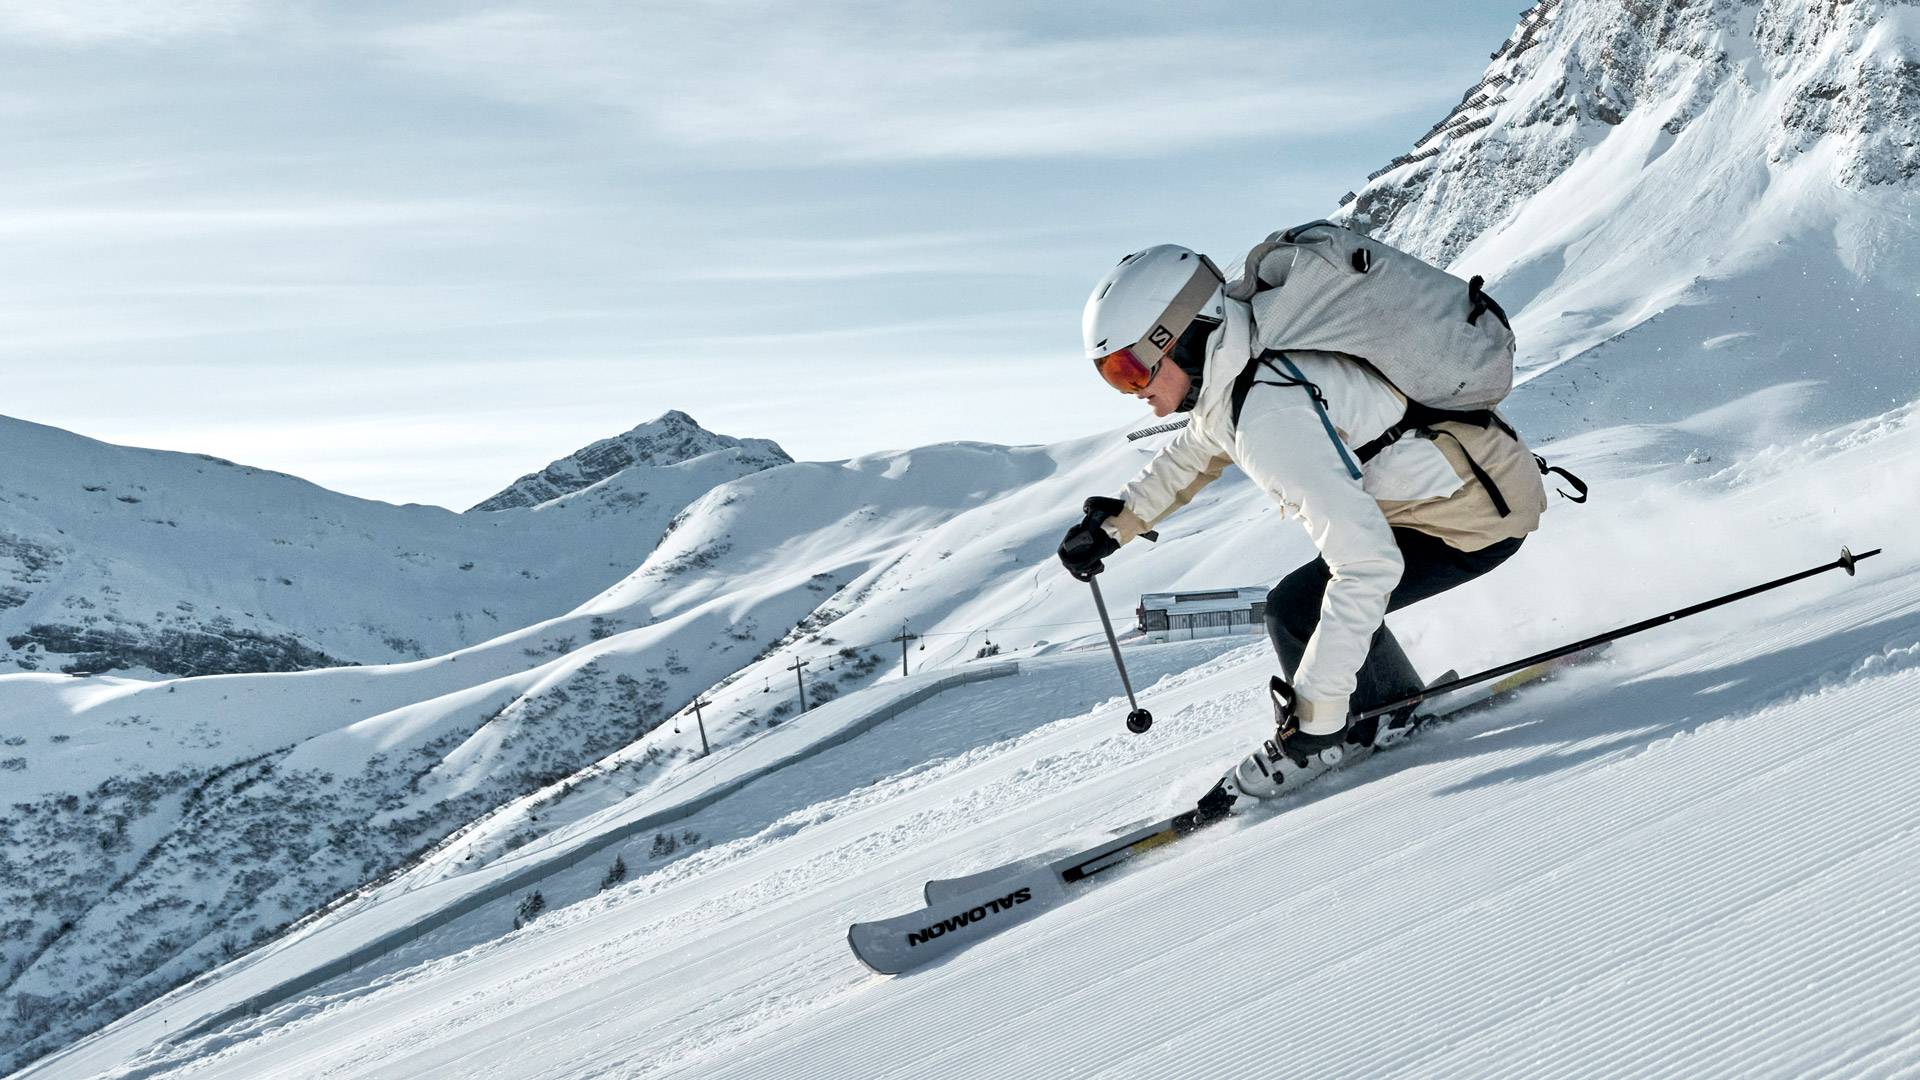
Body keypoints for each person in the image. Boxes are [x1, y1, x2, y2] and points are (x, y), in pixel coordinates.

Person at [1057, 244, 1548, 805]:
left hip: (1470, 517)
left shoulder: (1270, 411)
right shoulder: (1236, 369)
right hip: (1446, 498)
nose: (1131, 389)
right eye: (1110, 375)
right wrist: (1113, 525)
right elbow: (1196, 451)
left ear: (1181, 336)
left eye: (1128, 368)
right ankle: (1381, 709)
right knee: (1296, 608)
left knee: (1298, 610)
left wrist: (1316, 716)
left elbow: (1367, 565)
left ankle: (1358, 725)